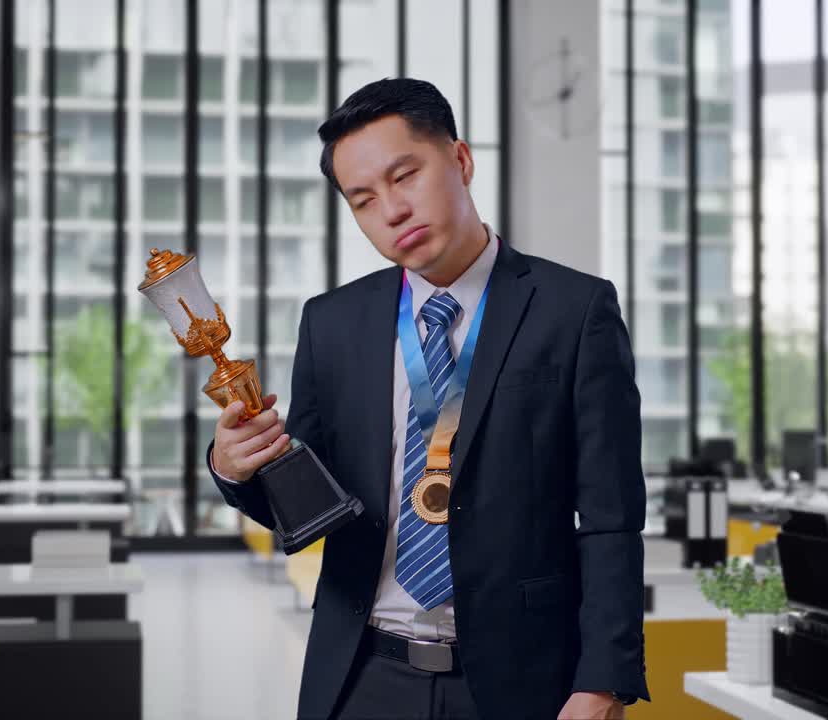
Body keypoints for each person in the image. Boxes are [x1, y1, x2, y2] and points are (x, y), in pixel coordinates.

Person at [209, 77, 649, 720]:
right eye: (363, 200)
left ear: (461, 160)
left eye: (405, 176)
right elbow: (301, 503)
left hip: (522, 683)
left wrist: (604, 682)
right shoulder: (332, 323)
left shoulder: (573, 311)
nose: (391, 210)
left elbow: (611, 517)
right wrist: (234, 465)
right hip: (361, 676)